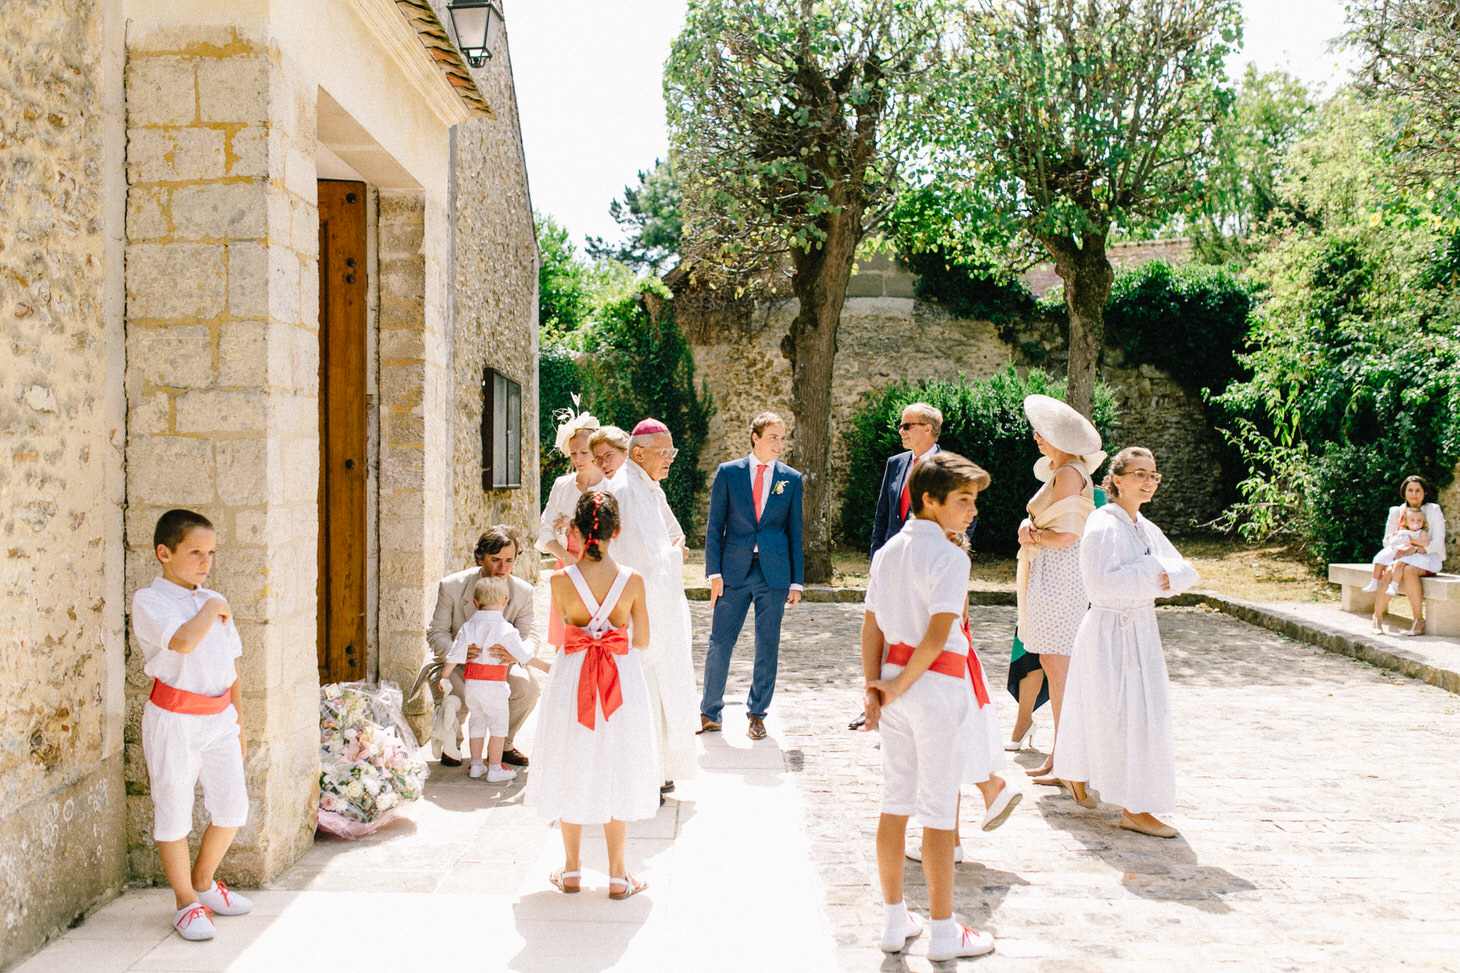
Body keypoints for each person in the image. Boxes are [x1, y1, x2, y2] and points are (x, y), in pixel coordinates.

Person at [862, 453, 1019, 962]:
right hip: (931, 688)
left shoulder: (887, 551)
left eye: (974, 499)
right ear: (930, 500)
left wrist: (876, 687)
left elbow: (873, 627)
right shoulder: (952, 558)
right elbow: (936, 634)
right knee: (936, 814)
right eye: (964, 500)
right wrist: (900, 685)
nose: (972, 510)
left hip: (893, 684)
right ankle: (944, 931)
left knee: (894, 801)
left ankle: (892, 920)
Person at [1053, 447, 1199, 838]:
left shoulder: (1144, 526)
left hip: (1140, 628)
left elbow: (1187, 571)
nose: (1149, 482)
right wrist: (1156, 571)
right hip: (1109, 630)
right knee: (1119, 713)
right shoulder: (1103, 524)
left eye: (1154, 475)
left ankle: (1076, 773)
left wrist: (1165, 575)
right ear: (1117, 479)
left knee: (1139, 714)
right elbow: (1101, 582)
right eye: (1140, 474)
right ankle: (1133, 807)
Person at [525, 490, 659, 899]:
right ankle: (618, 874)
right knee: (617, 758)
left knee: (573, 757)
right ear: (616, 531)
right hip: (619, 678)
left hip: (573, 678)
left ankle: (571, 870)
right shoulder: (632, 580)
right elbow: (643, 640)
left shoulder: (559, 580)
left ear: (576, 532)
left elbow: (558, 637)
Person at [131, 509, 253, 942]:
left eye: (211, 553)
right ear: (164, 553)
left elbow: (232, 663)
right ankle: (185, 902)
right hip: (175, 720)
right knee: (174, 811)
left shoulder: (212, 598)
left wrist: (239, 724)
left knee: (232, 808)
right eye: (195, 552)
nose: (205, 562)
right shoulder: (149, 600)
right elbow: (183, 642)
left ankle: (204, 883)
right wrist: (214, 606)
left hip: (219, 719)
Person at [1013, 395, 1105, 780]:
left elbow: (1068, 534)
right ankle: (1063, 752)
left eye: (1044, 433)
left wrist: (1029, 535)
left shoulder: (1069, 472)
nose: (1037, 437)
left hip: (1061, 574)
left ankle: (1068, 756)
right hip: (1054, 572)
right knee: (1054, 662)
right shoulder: (1065, 470)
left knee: (1059, 664)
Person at [605, 418, 700, 789]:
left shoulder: (648, 486)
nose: (670, 459)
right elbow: (642, 558)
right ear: (638, 453)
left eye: (672, 452)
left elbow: (673, 536)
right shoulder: (627, 490)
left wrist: (673, 551)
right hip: (641, 612)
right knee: (645, 690)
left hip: (659, 604)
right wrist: (674, 554)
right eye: (663, 452)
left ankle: (661, 770)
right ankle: (645, 776)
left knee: (663, 691)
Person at [701, 412, 805, 740]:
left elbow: (794, 532)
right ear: (755, 437)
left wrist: (796, 581)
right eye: (773, 436)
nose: (779, 443)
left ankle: (757, 713)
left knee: (767, 644)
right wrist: (714, 573)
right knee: (720, 641)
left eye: (783, 437)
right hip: (732, 571)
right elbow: (715, 526)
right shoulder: (729, 473)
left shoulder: (791, 478)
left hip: (773, 574)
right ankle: (710, 712)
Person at [427, 526, 541, 767]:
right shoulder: (452, 586)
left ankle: (505, 744)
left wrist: (515, 654)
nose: (503, 568)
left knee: (528, 688)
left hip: (499, 666)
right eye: (495, 560)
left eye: (509, 560)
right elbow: (436, 632)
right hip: (457, 666)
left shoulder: (522, 591)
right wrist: (457, 654)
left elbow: (530, 635)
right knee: (457, 694)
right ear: (481, 558)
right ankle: (452, 744)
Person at [439, 576, 536, 782]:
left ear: (475, 602)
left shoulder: (468, 627)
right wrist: (546, 666)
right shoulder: (507, 629)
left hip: (473, 685)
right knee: (498, 726)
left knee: (477, 723)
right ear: (505, 601)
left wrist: (445, 676)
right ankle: (494, 769)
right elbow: (523, 655)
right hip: (496, 685)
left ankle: (475, 766)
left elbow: (454, 654)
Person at [869, 402, 976, 557]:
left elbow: (967, 519)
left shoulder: (950, 468)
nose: (900, 431)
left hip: (930, 561)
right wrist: (876, 560)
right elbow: (882, 518)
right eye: (900, 426)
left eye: (907, 426)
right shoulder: (894, 464)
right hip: (893, 560)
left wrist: (946, 555)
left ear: (928, 429)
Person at [538, 407, 604, 649]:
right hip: (566, 566)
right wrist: (566, 558)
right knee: (564, 643)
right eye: (573, 453)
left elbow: (615, 529)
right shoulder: (562, 485)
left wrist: (574, 524)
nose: (578, 459)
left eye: (584, 452)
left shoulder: (612, 485)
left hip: (601, 568)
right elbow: (544, 530)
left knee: (595, 640)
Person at [1370, 475, 1447, 636]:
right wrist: (1402, 547)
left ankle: (1418, 621)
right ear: (1404, 493)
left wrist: (1414, 549)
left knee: (1409, 571)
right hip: (1401, 555)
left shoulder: (1433, 510)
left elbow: (1438, 542)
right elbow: (1387, 540)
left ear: (1425, 492)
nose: (1414, 494)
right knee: (1391, 570)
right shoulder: (1396, 511)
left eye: (1418, 490)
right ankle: (1377, 618)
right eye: (1410, 490)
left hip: (1427, 557)